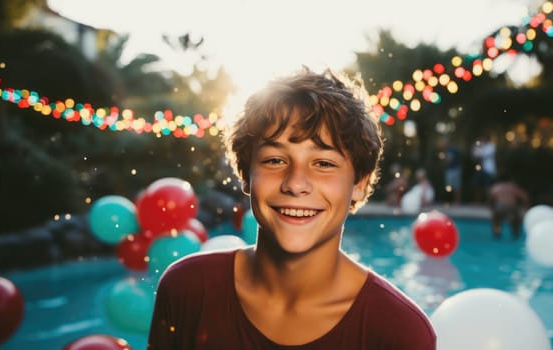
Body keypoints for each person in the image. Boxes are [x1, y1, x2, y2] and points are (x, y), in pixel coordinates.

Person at [148, 68, 436, 349]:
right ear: (246, 175)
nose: (296, 184)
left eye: (323, 164)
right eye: (275, 160)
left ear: (359, 183)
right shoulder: (187, 289)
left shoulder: (400, 333)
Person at [487, 173, 529, 239]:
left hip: (499, 207)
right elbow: (524, 197)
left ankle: (497, 232)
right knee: (515, 221)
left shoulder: (495, 187)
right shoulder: (512, 187)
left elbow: (490, 199)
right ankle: (515, 234)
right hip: (512, 208)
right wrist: (526, 206)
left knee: (496, 220)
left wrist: (491, 208)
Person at [470, 135, 496, 203]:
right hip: (479, 169)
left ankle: (488, 202)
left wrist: (479, 151)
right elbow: (475, 155)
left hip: (488, 170)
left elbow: (482, 155)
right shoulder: (480, 146)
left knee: (487, 186)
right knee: (476, 185)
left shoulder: (491, 146)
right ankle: (477, 202)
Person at [440, 136, 462, 205]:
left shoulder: (451, 149)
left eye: (443, 142)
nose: (442, 144)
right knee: (449, 186)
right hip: (450, 170)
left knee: (456, 186)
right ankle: (450, 202)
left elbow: (449, 160)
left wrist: (443, 158)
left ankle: (457, 202)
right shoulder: (447, 150)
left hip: (454, 170)